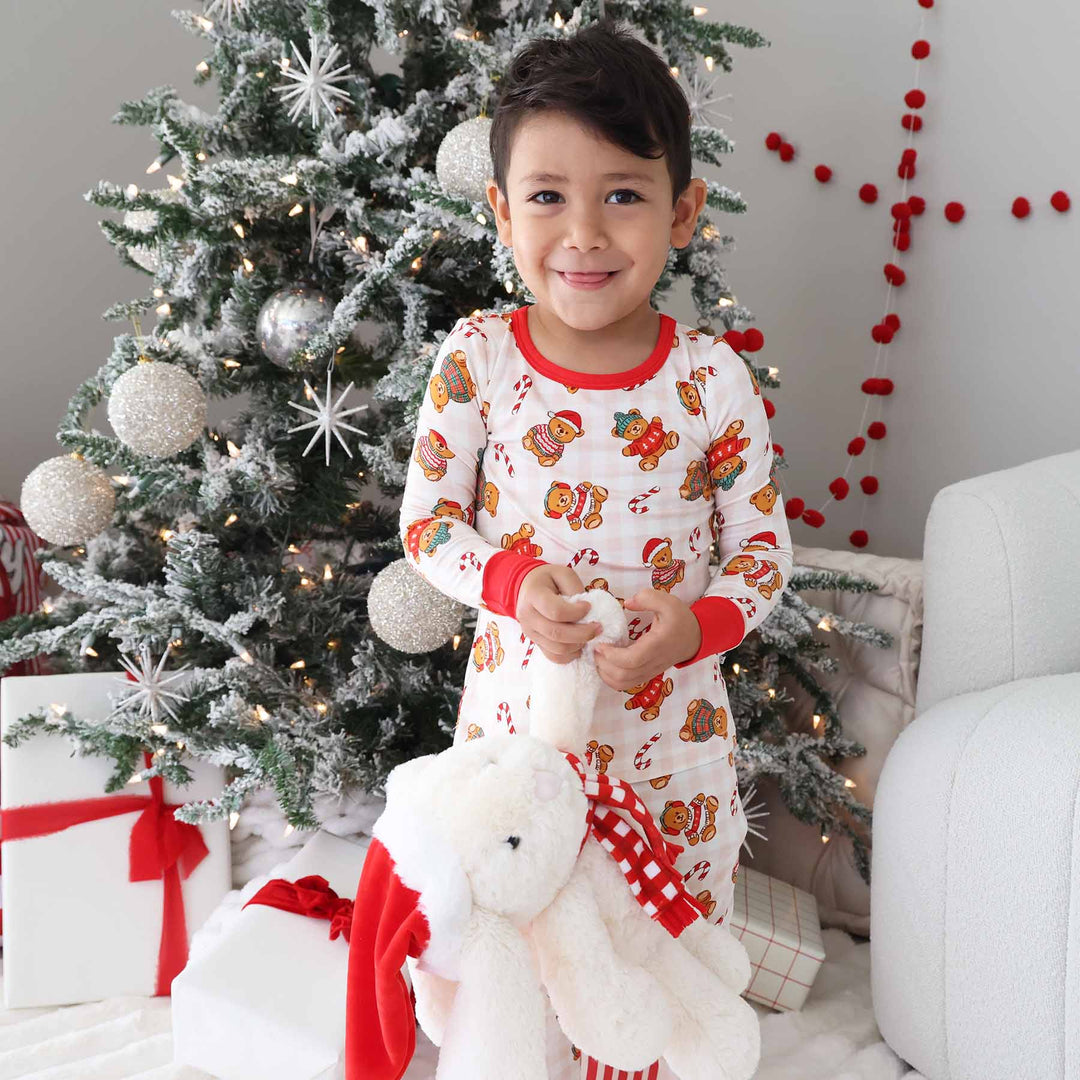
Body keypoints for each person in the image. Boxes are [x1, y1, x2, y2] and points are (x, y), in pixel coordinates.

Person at [398, 17, 791, 1078]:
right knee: (528, 936)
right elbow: (429, 521)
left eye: (623, 194)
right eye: (547, 196)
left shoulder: (711, 378)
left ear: (684, 211)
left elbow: (761, 550)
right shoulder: (478, 358)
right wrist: (513, 581)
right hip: (523, 742)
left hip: (675, 741)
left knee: (655, 946)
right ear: (500, 210)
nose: (583, 233)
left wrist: (698, 625)